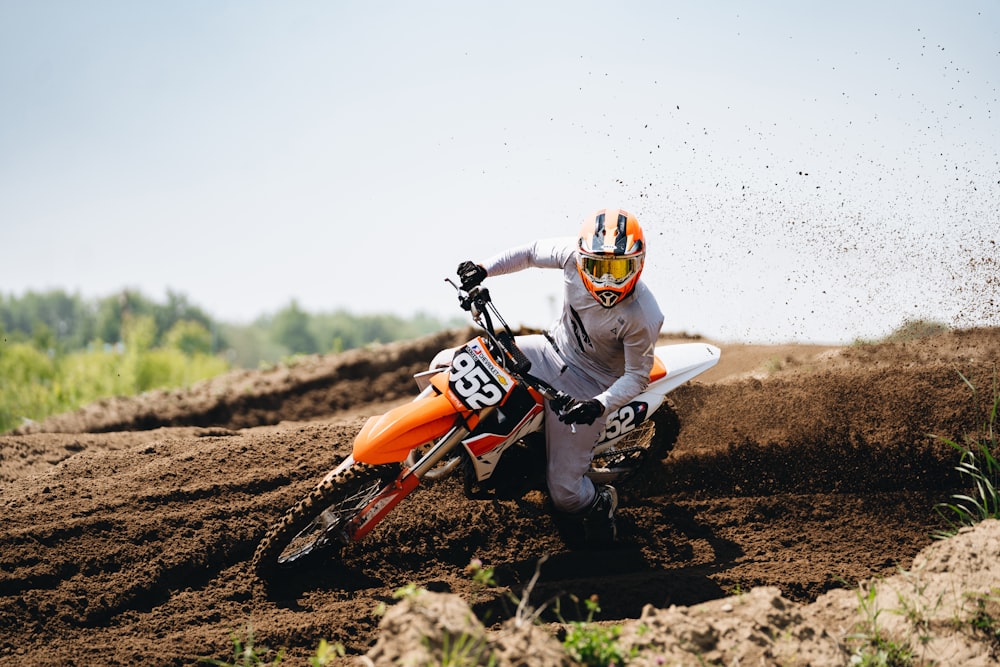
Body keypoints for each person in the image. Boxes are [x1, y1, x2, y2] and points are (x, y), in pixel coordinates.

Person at [455, 206, 664, 545]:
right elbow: (531, 252)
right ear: (582, 258)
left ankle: (601, 502)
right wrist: (483, 269)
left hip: (589, 388)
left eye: (619, 269)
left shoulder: (644, 315)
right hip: (546, 351)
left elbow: (638, 375)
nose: (608, 280)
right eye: (598, 268)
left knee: (566, 494)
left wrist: (599, 405)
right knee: (459, 360)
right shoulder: (571, 255)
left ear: (638, 264)